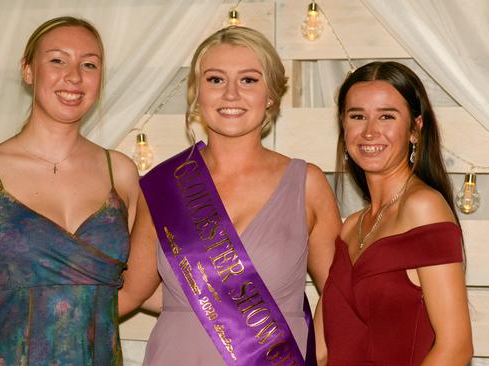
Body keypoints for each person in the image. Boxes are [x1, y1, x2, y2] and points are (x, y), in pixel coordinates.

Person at [119, 26, 341, 365]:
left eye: (249, 80)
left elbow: (340, 295)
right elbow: (131, 292)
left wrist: (321, 353)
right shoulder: (163, 185)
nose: (231, 94)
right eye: (215, 80)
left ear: (270, 95)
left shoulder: (307, 184)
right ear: (197, 93)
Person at [0, 16, 139, 365]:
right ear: (27, 71)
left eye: (89, 64)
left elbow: (147, 278)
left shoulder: (122, 173)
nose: (74, 76)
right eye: (57, 60)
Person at [322, 61, 473, 365]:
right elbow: (323, 349)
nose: (369, 131)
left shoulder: (424, 208)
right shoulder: (351, 227)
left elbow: (455, 347)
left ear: (415, 129)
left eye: (386, 116)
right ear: (343, 125)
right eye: (357, 116)